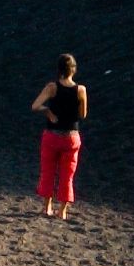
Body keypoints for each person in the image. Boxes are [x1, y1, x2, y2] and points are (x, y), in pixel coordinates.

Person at [31, 54, 89, 218]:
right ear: (74, 70)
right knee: (67, 174)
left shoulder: (52, 87)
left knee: (48, 171)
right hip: (71, 136)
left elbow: (35, 106)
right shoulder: (81, 90)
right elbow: (83, 114)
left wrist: (48, 111)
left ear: (59, 70)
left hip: (52, 135)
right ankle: (62, 211)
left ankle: (47, 207)